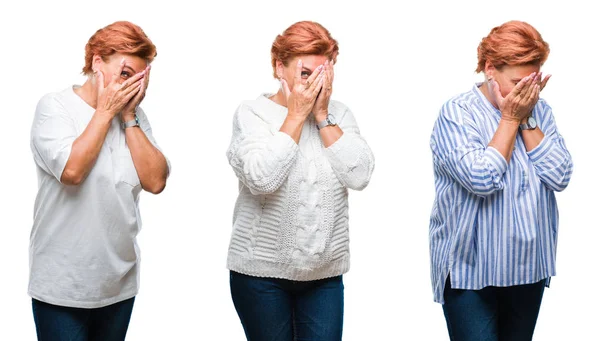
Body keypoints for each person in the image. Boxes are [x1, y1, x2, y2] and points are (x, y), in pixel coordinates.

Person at [226, 21, 375, 341]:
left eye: (323, 73)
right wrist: (296, 115)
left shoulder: (340, 115)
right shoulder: (252, 113)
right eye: (305, 73)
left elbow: (360, 175)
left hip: (324, 276)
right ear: (280, 67)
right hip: (260, 275)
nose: (314, 84)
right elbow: (261, 178)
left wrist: (321, 117)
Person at [429, 20, 573, 341]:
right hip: (471, 271)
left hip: (528, 267)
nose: (527, 92)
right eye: (518, 82)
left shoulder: (540, 111)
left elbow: (559, 175)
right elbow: (482, 178)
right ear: (490, 69)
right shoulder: (457, 114)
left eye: (533, 82)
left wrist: (526, 117)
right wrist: (510, 118)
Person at [29, 21, 169, 340]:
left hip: (118, 285)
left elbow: (156, 180)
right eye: (124, 73)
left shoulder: (134, 117)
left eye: (137, 78)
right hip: (62, 287)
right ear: (96, 62)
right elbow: (72, 172)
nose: (129, 86)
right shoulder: (55, 107)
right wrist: (105, 112)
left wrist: (129, 116)